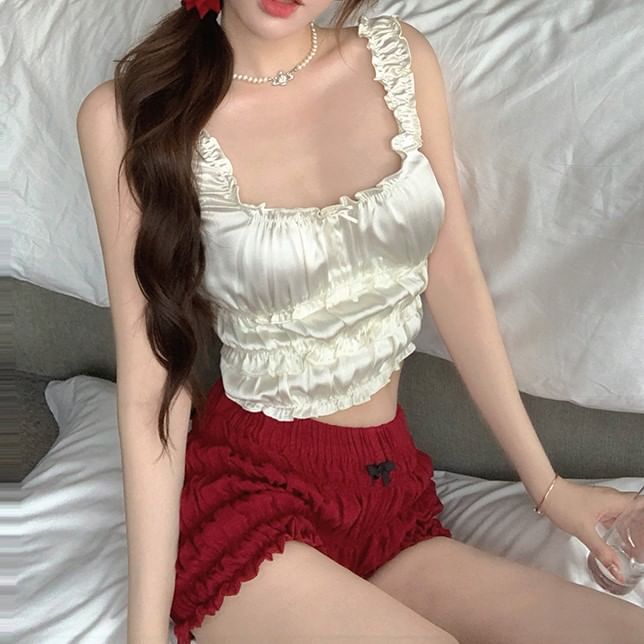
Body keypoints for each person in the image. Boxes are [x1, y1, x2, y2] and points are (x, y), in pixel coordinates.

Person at [76, 0, 644, 642]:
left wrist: (548, 487)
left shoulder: (399, 59)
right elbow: (153, 384)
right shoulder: (127, 118)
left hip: (388, 493)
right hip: (247, 502)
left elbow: (454, 276)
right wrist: (145, 633)